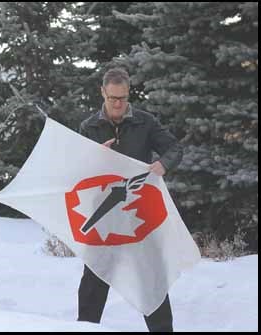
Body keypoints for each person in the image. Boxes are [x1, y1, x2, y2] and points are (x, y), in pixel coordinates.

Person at [77, 67, 183, 332]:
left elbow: (174, 148)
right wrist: (93, 156)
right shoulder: (88, 126)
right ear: (103, 92)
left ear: (128, 94)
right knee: (94, 280)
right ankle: (85, 328)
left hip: (139, 214)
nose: (118, 104)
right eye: (112, 98)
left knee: (151, 280)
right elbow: (76, 170)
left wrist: (163, 164)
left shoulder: (145, 122)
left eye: (123, 98)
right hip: (103, 215)